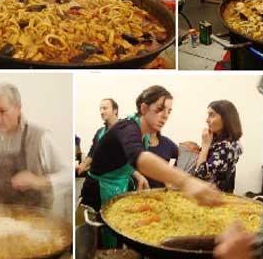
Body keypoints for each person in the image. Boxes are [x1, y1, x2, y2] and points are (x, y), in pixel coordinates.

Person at [80, 85, 221, 247]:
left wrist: (137, 175)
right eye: (160, 109)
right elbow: (139, 157)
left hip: (118, 186)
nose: (165, 116)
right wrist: (187, 182)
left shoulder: (143, 134)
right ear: (144, 108)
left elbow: (121, 158)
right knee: (101, 245)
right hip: (98, 191)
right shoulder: (127, 127)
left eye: (168, 111)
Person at [0, 83, 68, 209]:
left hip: (38, 220)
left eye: (2, 111)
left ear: (18, 108)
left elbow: (68, 174)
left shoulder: (39, 136)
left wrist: (38, 181)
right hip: (0, 219)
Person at [190, 100, 243, 193]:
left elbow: (199, 176)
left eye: (212, 115)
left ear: (226, 119)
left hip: (213, 200)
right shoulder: (219, 142)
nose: (207, 120)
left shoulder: (227, 147)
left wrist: (205, 146)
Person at [76, 98, 119, 176]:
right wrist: (83, 165)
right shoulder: (100, 132)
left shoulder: (125, 129)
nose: (102, 112)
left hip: (119, 179)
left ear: (115, 110)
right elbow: (93, 153)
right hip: (100, 177)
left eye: (105, 108)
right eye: (100, 109)